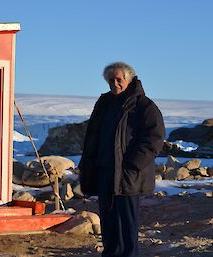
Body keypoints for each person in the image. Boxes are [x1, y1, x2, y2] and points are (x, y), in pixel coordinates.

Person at [79, 62, 165, 257]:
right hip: (105, 174)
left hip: (128, 177)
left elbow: (154, 138)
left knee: (127, 228)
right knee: (109, 227)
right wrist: (88, 166)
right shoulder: (104, 104)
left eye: (119, 79)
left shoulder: (144, 106)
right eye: (111, 80)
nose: (115, 84)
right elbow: (93, 136)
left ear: (129, 79)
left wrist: (133, 165)